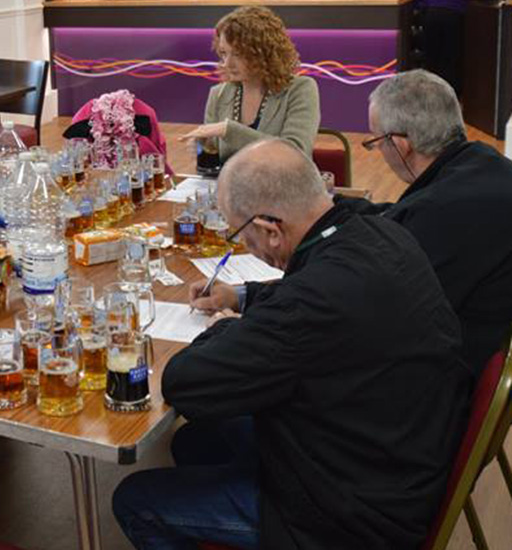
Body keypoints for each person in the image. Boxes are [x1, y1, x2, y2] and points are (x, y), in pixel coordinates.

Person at [112, 139, 469, 550]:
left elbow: (184, 382)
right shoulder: (377, 231)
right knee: (197, 438)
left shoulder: (309, 305)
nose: (249, 249)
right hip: (398, 453)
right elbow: (310, 300)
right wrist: (241, 297)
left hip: (352, 516)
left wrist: (223, 328)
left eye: (243, 238)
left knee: (137, 500)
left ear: (270, 229)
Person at [350, 70, 512, 376]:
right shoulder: (484, 166)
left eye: (375, 142)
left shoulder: (441, 209)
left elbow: (373, 311)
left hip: (437, 378)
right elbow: (403, 214)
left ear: (400, 144)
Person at [181, 6, 320, 160]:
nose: (227, 63)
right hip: (232, 184)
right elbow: (214, 161)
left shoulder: (300, 89)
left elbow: (295, 154)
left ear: (264, 53)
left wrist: (230, 131)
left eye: (238, 54)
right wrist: (202, 148)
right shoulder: (218, 94)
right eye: (223, 53)